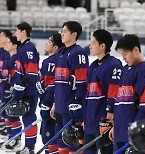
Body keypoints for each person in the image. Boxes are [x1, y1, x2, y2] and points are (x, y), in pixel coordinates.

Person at [109, 34, 145, 153]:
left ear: (136, 50)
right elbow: (120, 101)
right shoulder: (124, 70)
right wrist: (115, 126)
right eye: (121, 54)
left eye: (125, 53)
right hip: (120, 132)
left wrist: (137, 132)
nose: (123, 58)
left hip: (136, 134)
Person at [50, 21, 89, 153]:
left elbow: (82, 81)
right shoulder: (60, 52)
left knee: (73, 141)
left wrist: (78, 101)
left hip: (71, 106)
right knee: (62, 140)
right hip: (60, 105)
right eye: (62, 31)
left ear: (74, 34)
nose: (62, 34)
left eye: (65, 31)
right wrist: (55, 103)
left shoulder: (79, 53)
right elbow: (58, 81)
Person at [83, 29, 123, 154]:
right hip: (90, 120)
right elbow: (88, 94)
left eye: (93, 43)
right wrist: (85, 118)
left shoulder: (114, 64)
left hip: (103, 121)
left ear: (102, 46)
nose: (90, 46)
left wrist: (109, 116)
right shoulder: (92, 66)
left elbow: (115, 91)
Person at [36, 33, 64, 154]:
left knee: (49, 138)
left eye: (49, 41)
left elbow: (52, 85)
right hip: (54, 104)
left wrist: (47, 103)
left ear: (56, 47)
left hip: (51, 105)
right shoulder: (54, 60)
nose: (46, 43)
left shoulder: (51, 62)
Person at [14, 22, 39, 154]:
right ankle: (27, 146)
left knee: (29, 117)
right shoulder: (22, 48)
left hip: (29, 91)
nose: (15, 33)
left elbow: (32, 72)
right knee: (25, 118)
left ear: (24, 32)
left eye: (17, 31)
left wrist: (21, 86)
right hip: (24, 90)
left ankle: (30, 148)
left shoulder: (28, 48)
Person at [0, 36, 22, 152]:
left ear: (15, 45)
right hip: (5, 90)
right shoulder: (8, 58)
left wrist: (13, 86)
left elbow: (17, 76)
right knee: (7, 115)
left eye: (9, 42)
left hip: (11, 92)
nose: (6, 44)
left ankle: (16, 139)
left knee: (13, 115)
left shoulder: (16, 59)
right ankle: (10, 136)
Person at [0, 30, 11, 143]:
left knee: (7, 112)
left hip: (7, 87)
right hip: (2, 87)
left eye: (1, 36)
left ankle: (7, 133)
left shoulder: (8, 53)